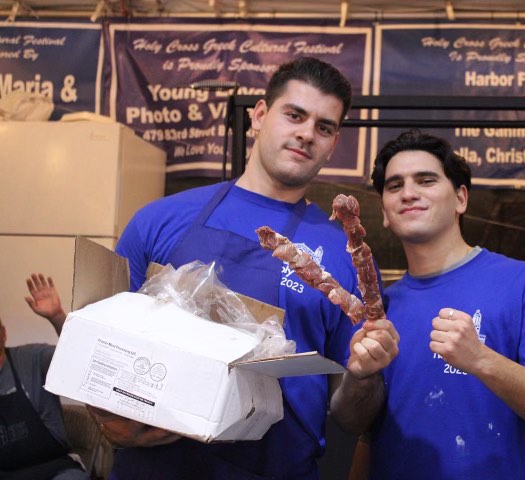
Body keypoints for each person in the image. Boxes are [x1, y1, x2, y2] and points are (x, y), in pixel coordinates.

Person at [87, 56, 399, 480]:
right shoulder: (159, 220)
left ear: (332, 144)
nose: (307, 133)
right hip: (153, 467)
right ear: (259, 116)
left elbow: (353, 419)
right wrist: (113, 422)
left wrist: (364, 378)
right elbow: (100, 347)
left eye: (324, 127)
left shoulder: (342, 257)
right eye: (294, 115)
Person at [366, 130, 525, 480]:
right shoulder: (383, 305)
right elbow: (369, 434)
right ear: (384, 211)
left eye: (426, 180)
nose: (408, 193)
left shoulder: (523, 284)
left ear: (461, 198)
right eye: (395, 185)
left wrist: (481, 359)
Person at [0, 274, 90, 480]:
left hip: (54, 469)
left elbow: (81, 358)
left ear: (3, 333)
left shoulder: (33, 358)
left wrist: (57, 316)